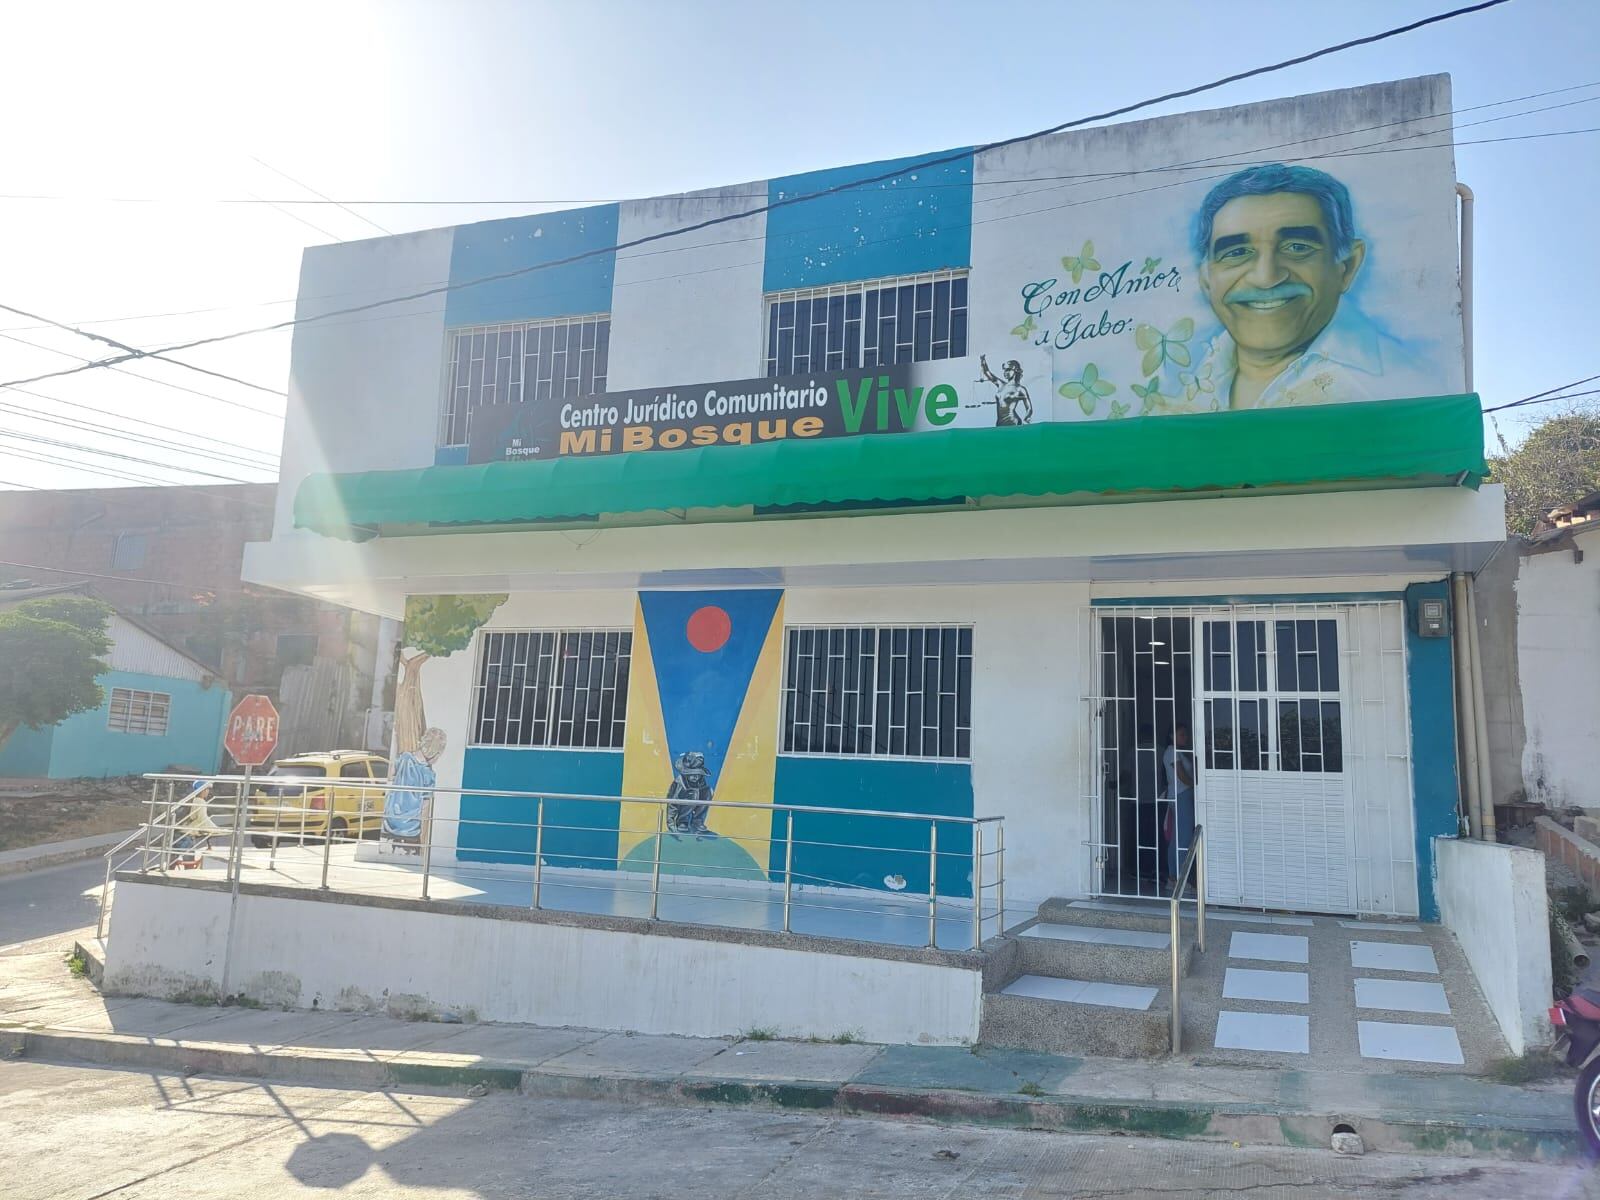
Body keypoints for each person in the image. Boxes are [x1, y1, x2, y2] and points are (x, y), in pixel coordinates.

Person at [1189, 163, 1418, 411]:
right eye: (1237, 252)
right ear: (1206, 279)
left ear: (1347, 266)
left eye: (1297, 247)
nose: (1266, 278)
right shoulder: (1183, 382)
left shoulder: (1399, 386)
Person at [382, 726, 445, 853]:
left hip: (390, 821)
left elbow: (390, 774)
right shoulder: (429, 774)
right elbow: (425, 806)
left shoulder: (404, 758)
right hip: (410, 828)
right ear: (436, 753)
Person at [1163, 724, 1196, 886]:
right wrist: (1196, 786)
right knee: (1184, 838)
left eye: (1186, 735)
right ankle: (1180, 879)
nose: (1186, 737)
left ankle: (1174, 878)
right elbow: (1181, 775)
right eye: (1182, 734)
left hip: (1180, 795)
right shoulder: (1172, 752)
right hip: (1181, 796)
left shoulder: (1177, 752)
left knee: (1177, 838)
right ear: (1171, 735)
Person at [977, 355, 1034, 426]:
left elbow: (1029, 408)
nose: (1005, 372)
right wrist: (983, 360)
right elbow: (987, 373)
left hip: (1013, 422)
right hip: (999, 423)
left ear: (1015, 370)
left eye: (1008, 370)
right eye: (1004, 370)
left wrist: (1026, 418)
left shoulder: (1020, 389)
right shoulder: (1000, 384)